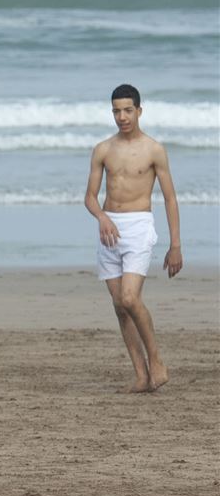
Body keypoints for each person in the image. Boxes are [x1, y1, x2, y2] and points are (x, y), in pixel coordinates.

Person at [84, 84, 183, 393]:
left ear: (139, 111)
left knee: (130, 297)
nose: (122, 117)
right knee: (119, 306)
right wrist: (102, 217)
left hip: (139, 226)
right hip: (109, 230)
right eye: (116, 111)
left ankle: (157, 362)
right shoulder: (103, 149)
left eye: (128, 110)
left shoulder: (154, 150)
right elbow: (89, 197)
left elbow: (169, 198)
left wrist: (175, 245)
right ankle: (142, 377)